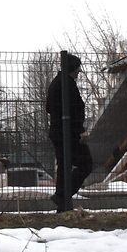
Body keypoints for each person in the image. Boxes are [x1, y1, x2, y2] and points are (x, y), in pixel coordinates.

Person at [46, 53, 93, 212]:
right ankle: (63, 195)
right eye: (77, 69)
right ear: (72, 68)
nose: (79, 72)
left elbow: (48, 108)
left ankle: (62, 201)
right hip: (69, 133)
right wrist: (80, 131)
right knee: (86, 164)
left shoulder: (57, 83)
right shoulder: (66, 84)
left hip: (60, 132)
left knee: (64, 166)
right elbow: (75, 110)